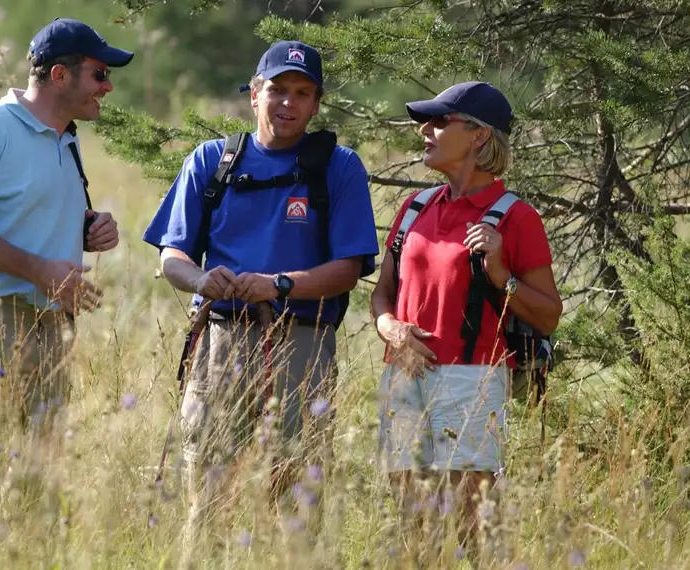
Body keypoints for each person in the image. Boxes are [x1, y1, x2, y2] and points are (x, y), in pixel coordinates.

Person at [143, 40, 378, 540]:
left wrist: (281, 285)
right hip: (221, 339)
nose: (287, 102)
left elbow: (349, 267)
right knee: (207, 492)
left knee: (297, 496)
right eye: (277, 90)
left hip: (303, 343)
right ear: (254, 94)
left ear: (316, 105)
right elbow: (172, 258)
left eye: (302, 92)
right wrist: (204, 280)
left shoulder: (339, 167)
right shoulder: (212, 160)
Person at [0, 18, 133, 512]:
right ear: (60, 76)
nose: (108, 87)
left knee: (40, 475)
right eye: (100, 74)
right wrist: (39, 270)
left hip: (49, 323)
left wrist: (88, 227)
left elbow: (28, 211)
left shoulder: (68, 137)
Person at [370, 81, 562, 560]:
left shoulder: (515, 218)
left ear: (479, 137)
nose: (425, 131)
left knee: (469, 525)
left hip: (473, 381)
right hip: (402, 374)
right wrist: (390, 329)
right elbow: (381, 297)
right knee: (413, 522)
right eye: (425, 122)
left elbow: (549, 314)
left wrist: (502, 277)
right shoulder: (415, 209)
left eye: (439, 122)